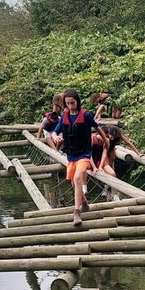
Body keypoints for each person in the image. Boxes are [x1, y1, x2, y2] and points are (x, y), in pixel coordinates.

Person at [53, 89, 108, 226]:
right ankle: (84, 203)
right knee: (73, 182)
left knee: (78, 178)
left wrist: (105, 140)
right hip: (71, 154)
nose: (71, 106)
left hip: (84, 153)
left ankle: (76, 212)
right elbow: (55, 131)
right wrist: (55, 137)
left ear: (77, 101)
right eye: (68, 103)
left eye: (73, 103)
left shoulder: (86, 115)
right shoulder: (65, 116)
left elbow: (97, 127)